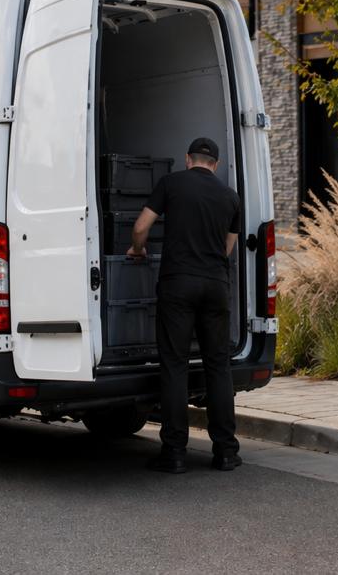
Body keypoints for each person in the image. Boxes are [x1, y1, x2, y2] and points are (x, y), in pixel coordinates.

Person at [128, 136, 241, 473]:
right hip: (215, 285)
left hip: (179, 284)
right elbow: (227, 247)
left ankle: (175, 453)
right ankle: (225, 452)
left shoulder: (171, 183)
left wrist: (137, 249)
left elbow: (141, 227)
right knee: (218, 366)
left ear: (188, 160)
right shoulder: (230, 197)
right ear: (215, 165)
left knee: (175, 365)